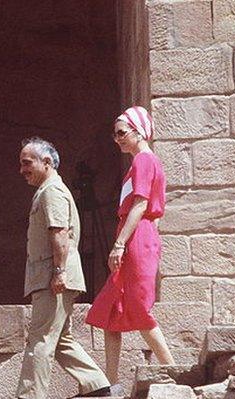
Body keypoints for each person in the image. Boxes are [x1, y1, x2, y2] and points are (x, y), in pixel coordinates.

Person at [0, 137, 114, 399]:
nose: (22, 169)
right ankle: (97, 384)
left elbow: (59, 234)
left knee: (41, 337)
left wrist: (59, 272)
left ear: (46, 162)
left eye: (27, 163)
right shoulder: (48, 191)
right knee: (60, 339)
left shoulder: (52, 192)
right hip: (52, 275)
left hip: (53, 276)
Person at [85, 106, 175, 382]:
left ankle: (174, 370)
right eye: (116, 135)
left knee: (137, 307)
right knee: (110, 311)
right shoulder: (143, 162)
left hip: (135, 237)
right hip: (137, 234)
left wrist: (121, 243)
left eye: (122, 133)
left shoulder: (143, 161)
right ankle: (110, 382)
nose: (118, 139)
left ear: (139, 131)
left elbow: (141, 203)